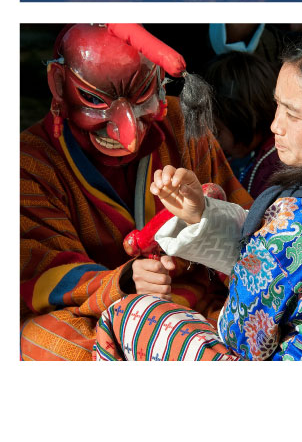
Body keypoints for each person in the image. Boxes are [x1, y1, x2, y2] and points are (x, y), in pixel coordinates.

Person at [95, 33, 302, 361]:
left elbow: (239, 337)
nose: (275, 125)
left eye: (292, 113)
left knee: (129, 314)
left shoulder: (294, 225)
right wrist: (201, 214)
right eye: (277, 106)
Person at [20, 22, 251, 360]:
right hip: (94, 312)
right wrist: (123, 280)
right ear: (58, 83)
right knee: (41, 340)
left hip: (193, 299)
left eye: (142, 96)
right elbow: (39, 265)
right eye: (95, 101)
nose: (127, 132)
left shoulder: (182, 125)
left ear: (159, 80)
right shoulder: (31, 161)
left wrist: (203, 209)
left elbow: (247, 229)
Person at [205, 51, 280, 198]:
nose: (213, 139)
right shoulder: (238, 158)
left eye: (217, 131)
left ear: (241, 118)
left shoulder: (273, 166)